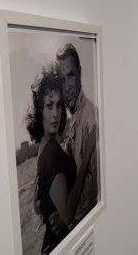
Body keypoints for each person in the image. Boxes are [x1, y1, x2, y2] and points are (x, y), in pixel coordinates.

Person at [27, 64, 93, 254]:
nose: (55, 114)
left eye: (58, 105)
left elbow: (42, 200)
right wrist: (87, 155)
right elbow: (67, 214)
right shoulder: (52, 152)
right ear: (39, 111)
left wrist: (46, 207)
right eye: (49, 106)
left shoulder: (44, 147)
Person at [56, 43, 99, 224]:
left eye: (71, 75)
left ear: (80, 72)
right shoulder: (73, 117)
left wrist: (67, 217)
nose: (67, 87)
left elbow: (96, 185)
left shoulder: (91, 117)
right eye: (62, 79)